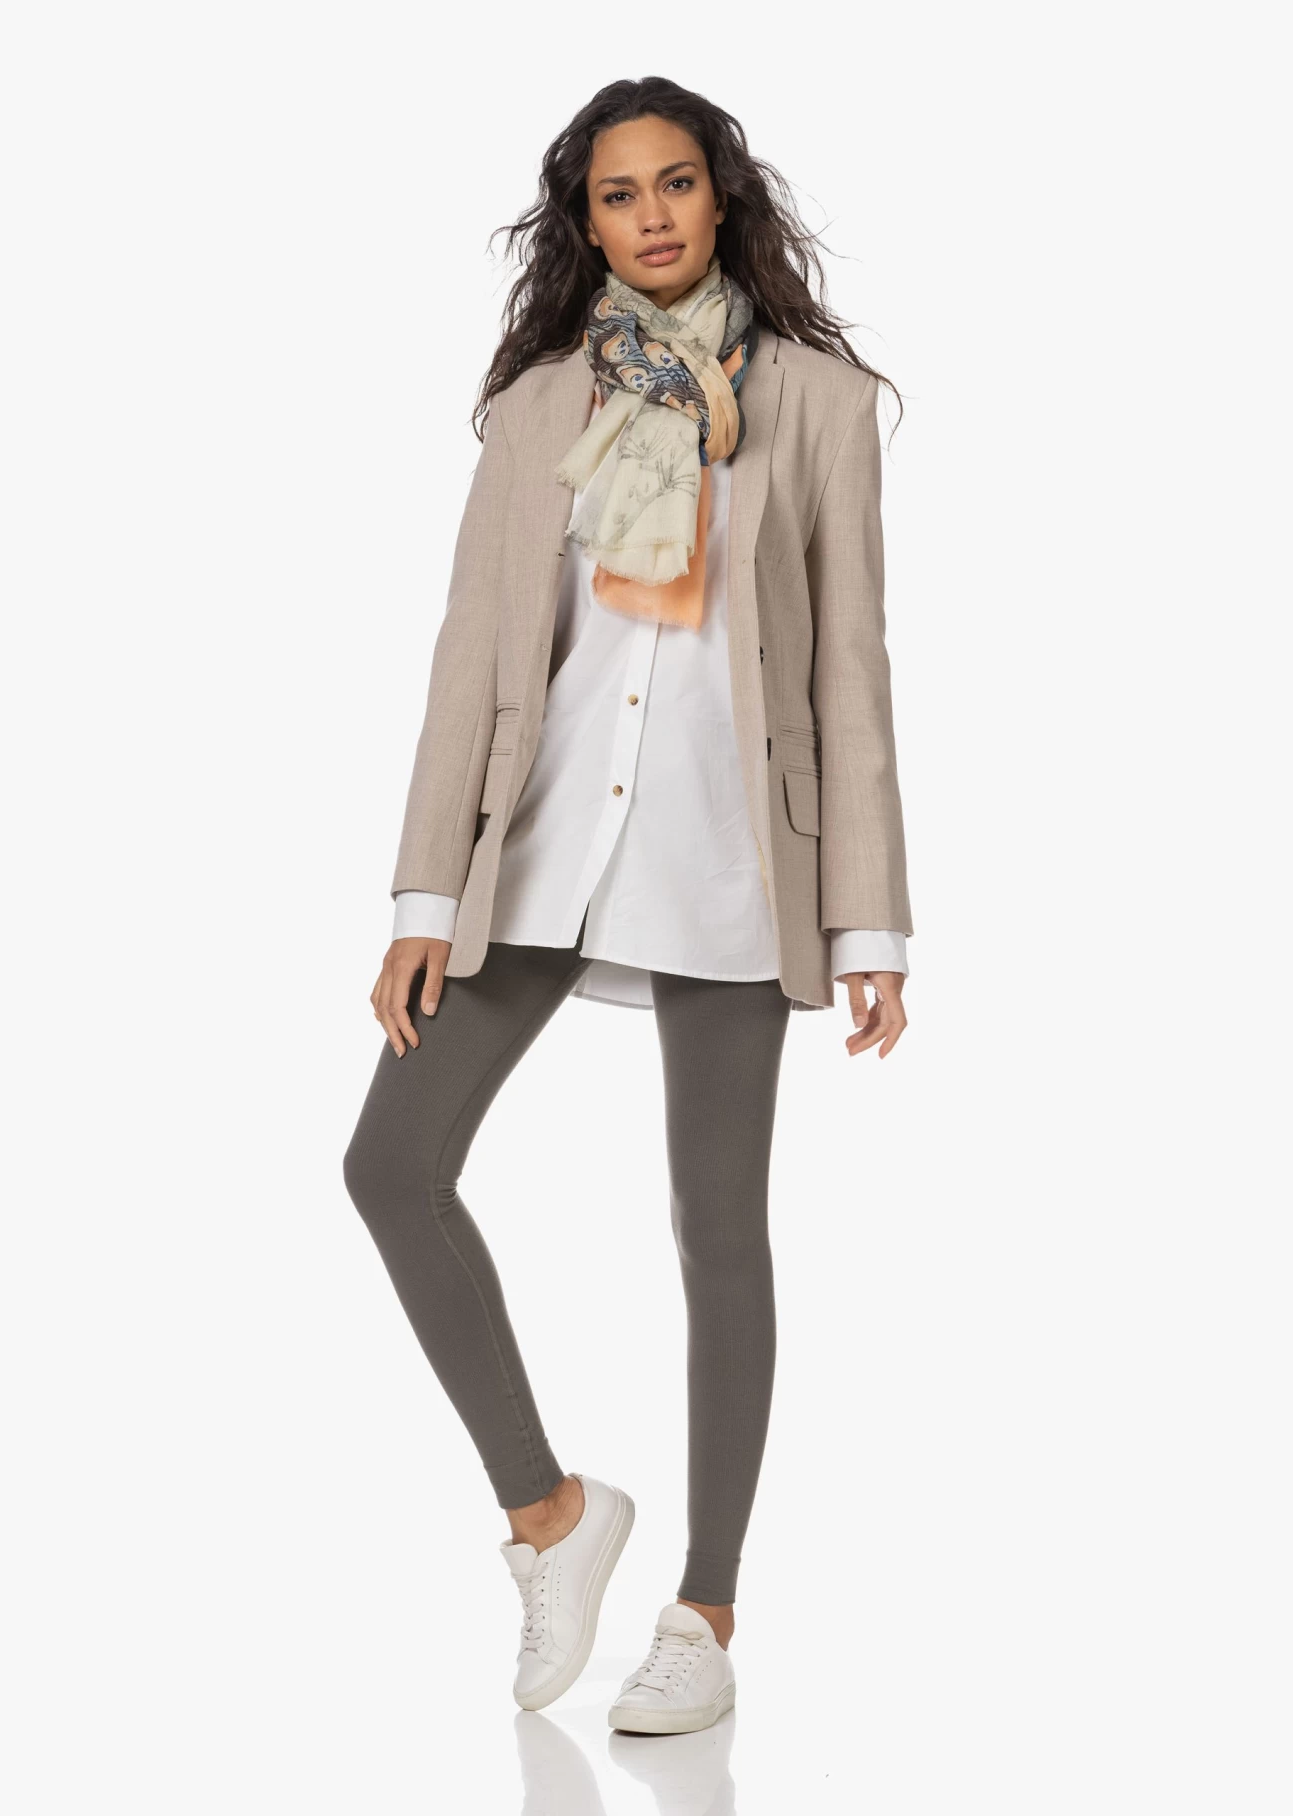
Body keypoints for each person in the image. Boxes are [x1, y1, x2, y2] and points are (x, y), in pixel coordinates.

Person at [343, 74, 912, 1736]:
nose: (651, 215)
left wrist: (871, 922)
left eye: (675, 183)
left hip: (732, 853)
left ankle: (705, 1614)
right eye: (617, 193)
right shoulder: (538, 408)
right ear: (583, 221)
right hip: (539, 847)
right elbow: (472, 657)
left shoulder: (817, 402)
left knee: (717, 1227)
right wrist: (424, 889)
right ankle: (551, 1517)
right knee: (389, 1165)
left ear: (721, 196)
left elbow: (852, 669)